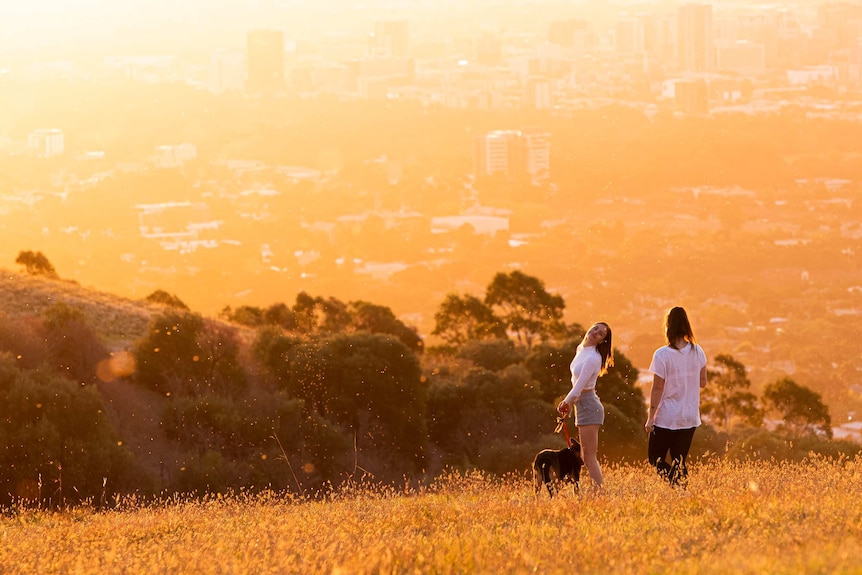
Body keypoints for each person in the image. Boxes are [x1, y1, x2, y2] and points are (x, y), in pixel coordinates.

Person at [644, 306, 708, 487]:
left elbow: (657, 388)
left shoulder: (662, 354)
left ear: (668, 327)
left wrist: (650, 418)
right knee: (679, 461)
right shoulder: (698, 351)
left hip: (666, 416)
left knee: (655, 459)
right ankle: (683, 491)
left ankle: (680, 487)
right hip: (689, 416)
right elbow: (703, 382)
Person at [557, 322, 614, 491]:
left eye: (601, 334)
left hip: (589, 405)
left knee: (589, 457)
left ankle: (598, 493)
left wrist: (566, 402)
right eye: (596, 328)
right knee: (584, 455)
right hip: (581, 405)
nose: (596, 332)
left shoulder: (593, 358)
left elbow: (579, 386)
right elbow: (575, 382)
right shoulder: (581, 350)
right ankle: (595, 491)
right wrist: (571, 403)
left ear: (602, 341)